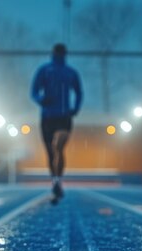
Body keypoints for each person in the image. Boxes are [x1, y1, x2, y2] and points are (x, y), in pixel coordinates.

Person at [31, 43, 83, 203]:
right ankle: (56, 182)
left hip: (63, 117)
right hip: (48, 117)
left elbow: (79, 92)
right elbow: (34, 90)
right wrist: (41, 99)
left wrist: (75, 108)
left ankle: (58, 181)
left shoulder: (71, 72)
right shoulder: (45, 70)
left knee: (57, 147)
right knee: (51, 153)